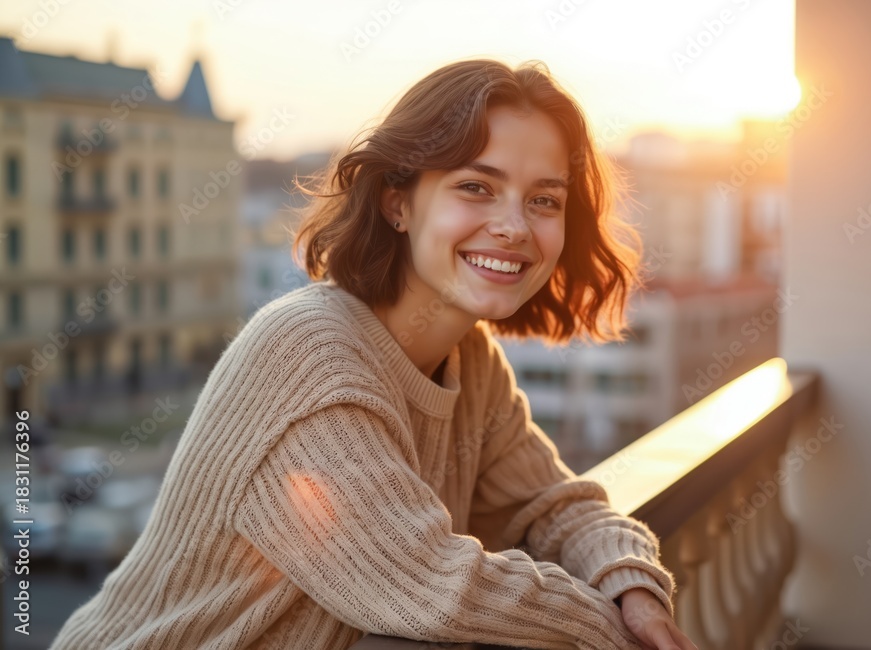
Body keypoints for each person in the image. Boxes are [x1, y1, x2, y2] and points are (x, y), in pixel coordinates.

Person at [51, 59, 696, 650]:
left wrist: (628, 581)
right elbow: (429, 583)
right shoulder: (306, 355)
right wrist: (605, 630)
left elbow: (555, 506)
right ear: (397, 202)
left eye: (544, 200)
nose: (515, 226)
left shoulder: (472, 362)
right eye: (476, 187)